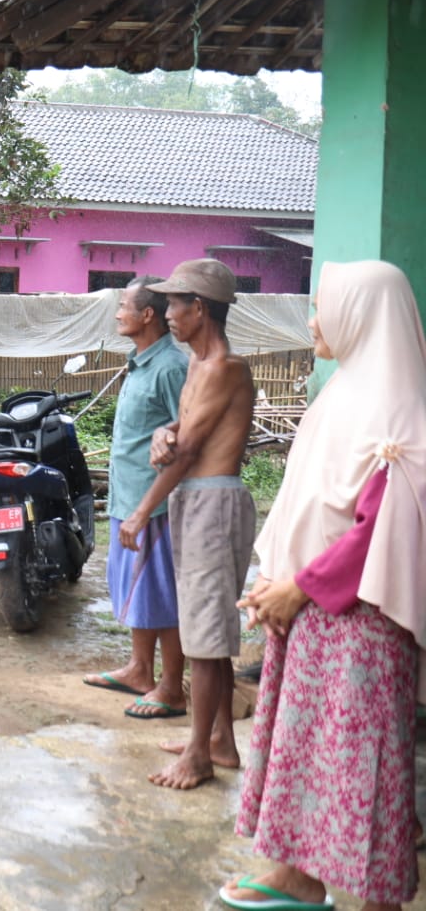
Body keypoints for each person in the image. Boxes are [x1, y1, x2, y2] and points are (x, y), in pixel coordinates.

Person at [218, 260, 426, 911]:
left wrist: (298, 589)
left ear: (362, 315)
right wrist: (276, 584)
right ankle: (300, 874)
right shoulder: (344, 394)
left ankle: (376, 897)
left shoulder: (398, 413)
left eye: (323, 308)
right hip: (311, 611)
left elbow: (376, 533)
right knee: (308, 747)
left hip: (361, 622)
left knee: (362, 760)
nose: (313, 322)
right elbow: (310, 504)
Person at [118, 258, 256, 790]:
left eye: (175, 304)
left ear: (199, 309)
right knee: (208, 632)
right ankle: (218, 738)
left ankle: (198, 754)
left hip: (212, 503)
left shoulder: (224, 366)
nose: (166, 313)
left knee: (203, 636)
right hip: (196, 501)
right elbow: (186, 430)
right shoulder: (199, 365)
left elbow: (192, 448)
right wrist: (165, 430)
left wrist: (139, 509)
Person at [83, 277, 189, 719]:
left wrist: (148, 507)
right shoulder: (140, 361)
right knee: (138, 589)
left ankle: (170, 686)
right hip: (127, 497)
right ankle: (139, 669)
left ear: (148, 315)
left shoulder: (170, 367)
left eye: (124, 305)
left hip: (154, 504)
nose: (117, 312)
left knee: (161, 593)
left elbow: (188, 433)